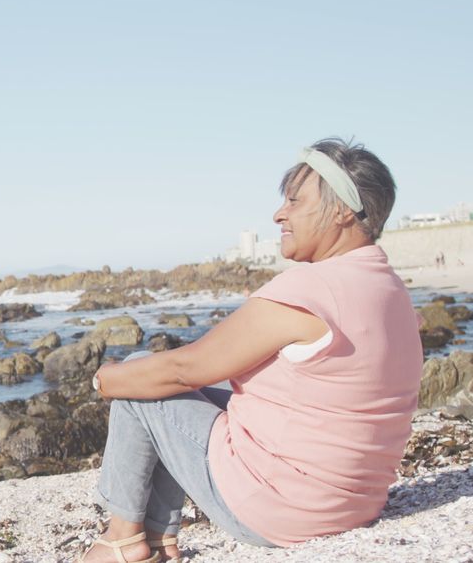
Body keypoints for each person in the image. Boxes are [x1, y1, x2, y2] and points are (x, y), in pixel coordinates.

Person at [79, 139, 423, 562]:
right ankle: (157, 538)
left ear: (341, 211)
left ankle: (122, 540)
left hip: (281, 511)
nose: (280, 214)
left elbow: (186, 369)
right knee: (196, 384)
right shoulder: (390, 290)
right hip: (356, 504)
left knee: (139, 375)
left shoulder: (309, 289)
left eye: (295, 202)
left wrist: (104, 379)